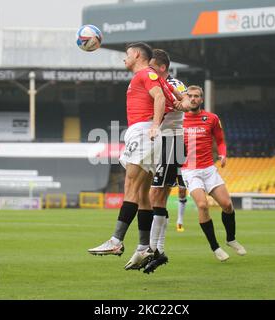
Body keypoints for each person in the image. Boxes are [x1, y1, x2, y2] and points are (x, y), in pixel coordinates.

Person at [88, 43, 189, 270]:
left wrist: (154, 125)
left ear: (135, 55)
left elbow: (160, 99)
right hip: (148, 133)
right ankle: (144, 247)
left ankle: (116, 240)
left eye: (126, 54)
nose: (124, 58)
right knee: (143, 193)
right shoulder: (157, 78)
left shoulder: (147, 73)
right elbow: (176, 98)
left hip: (144, 131)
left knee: (131, 184)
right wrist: (182, 101)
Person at [180, 85, 246, 263]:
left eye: (196, 96)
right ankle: (215, 247)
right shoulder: (179, 119)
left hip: (209, 169)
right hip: (190, 170)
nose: (193, 99)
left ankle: (230, 239)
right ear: (186, 98)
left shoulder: (211, 118)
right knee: (202, 205)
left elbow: (221, 140)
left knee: (227, 205)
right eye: (190, 96)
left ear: (201, 99)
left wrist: (223, 154)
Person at [141, 49, 190, 273]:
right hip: (162, 143)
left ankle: (155, 249)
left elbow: (187, 102)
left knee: (155, 195)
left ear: (161, 67)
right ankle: (157, 250)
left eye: (152, 66)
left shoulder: (175, 85)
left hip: (172, 142)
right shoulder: (154, 83)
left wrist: (183, 103)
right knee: (157, 197)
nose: (149, 70)